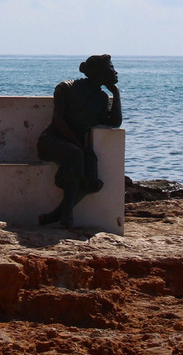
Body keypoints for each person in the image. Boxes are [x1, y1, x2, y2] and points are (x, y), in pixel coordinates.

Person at [37, 54, 122, 227]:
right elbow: (57, 121)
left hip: (76, 147)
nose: (115, 72)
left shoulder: (102, 98)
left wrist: (116, 94)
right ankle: (67, 218)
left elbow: (114, 122)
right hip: (51, 141)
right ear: (99, 72)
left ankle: (55, 215)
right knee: (76, 155)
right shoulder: (66, 88)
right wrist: (77, 145)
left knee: (91, 182)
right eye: (111, 68)